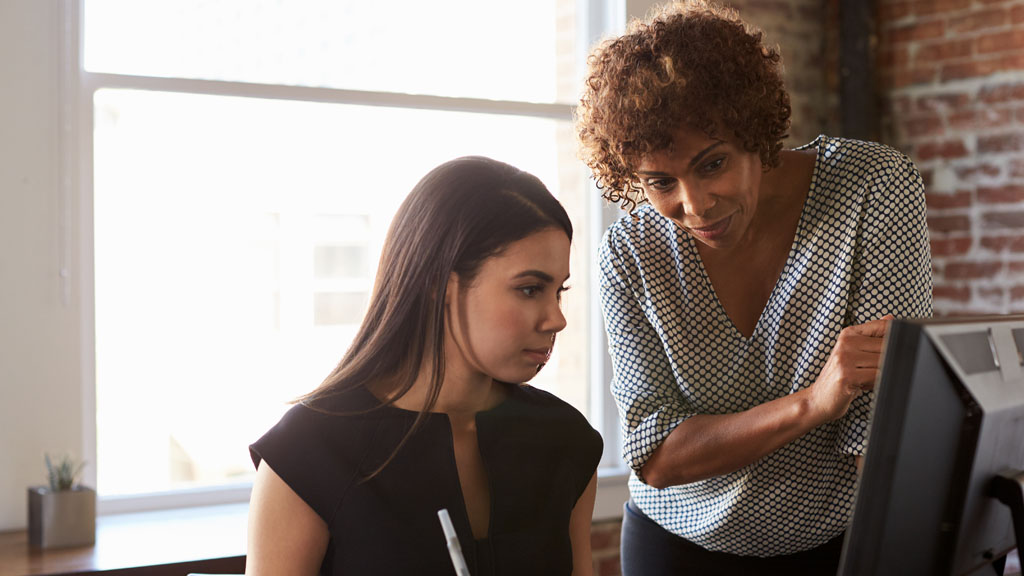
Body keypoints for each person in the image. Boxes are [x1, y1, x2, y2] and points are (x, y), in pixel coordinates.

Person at [574, 2, 932, 574]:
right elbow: (656, 454)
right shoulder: (630, 252)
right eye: (661, 182)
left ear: (756, 133)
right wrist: (813, 403)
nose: (694, 206)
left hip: (833, 543)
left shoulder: (870, 188)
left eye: (712, 164)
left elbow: (878, 421)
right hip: (676, 545)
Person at [245, 156, 602, 576]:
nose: (556, 318)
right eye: (529, 289)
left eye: (558, 291)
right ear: (438, 284)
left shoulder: (567, 440)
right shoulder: (308, 452)